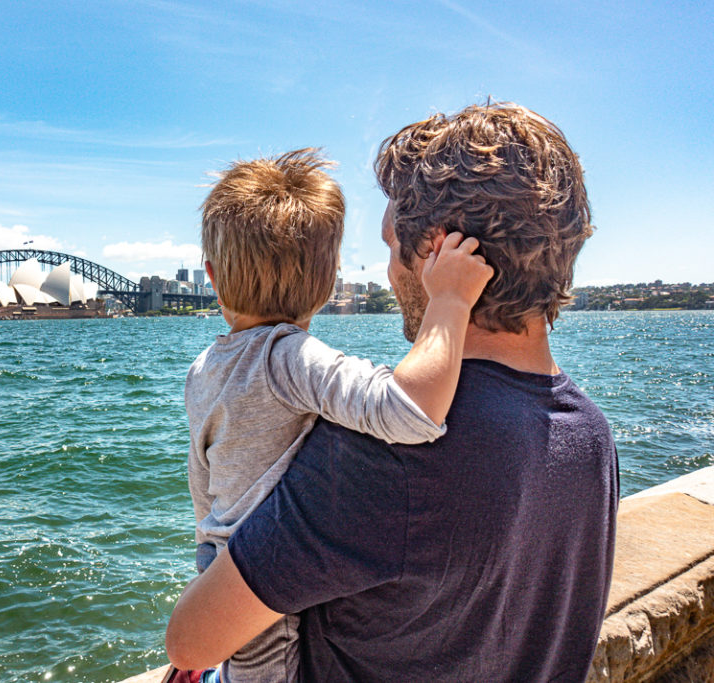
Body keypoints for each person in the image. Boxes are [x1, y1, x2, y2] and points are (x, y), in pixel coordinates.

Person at [167, 103, 619, 682]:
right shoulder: (591, 436)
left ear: (435, 251)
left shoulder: (382, 456)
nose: (385, 272)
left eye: (388, 247)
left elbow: (190, 640)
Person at [184, 149, 492, 682]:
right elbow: (411, 410)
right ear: (328, 284)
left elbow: (201, 485)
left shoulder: (204, 368)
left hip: (220, 570)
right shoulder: (288, 358)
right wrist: (450, 302)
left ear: (211, 276)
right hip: (263, 588)